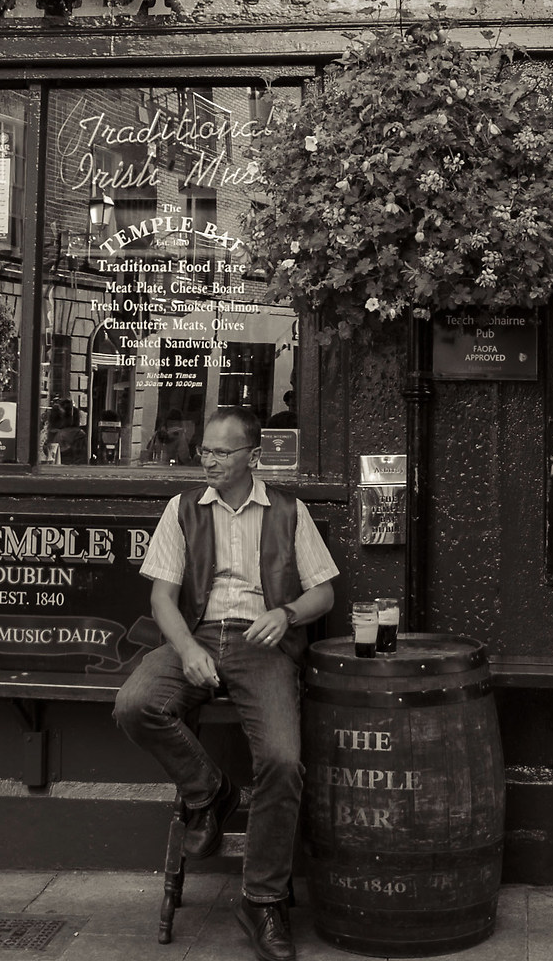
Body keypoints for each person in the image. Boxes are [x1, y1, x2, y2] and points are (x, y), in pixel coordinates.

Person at [114, 406, 338, 961]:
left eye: (221, 452)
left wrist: (285, 614)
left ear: (252, 457)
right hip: (197, 634)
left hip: (263, 644)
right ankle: (210, 790)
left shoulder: (288, 511)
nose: (208, 460)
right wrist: (187, 649)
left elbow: (325, 593)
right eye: (204, 451)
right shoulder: (182, 509)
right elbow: (162, 598)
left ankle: (262, 900)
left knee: (284, 761)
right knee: (135, 704)